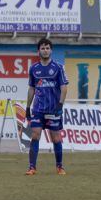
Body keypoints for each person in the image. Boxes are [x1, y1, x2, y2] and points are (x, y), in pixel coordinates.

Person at [25, 38, 68, 176]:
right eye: (43, 48)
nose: (45, 50)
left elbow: (64, 87)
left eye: (48, 48)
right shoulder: (34, 69)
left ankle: (59, 167)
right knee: (35, 135)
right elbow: (31, 88)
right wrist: (27, 107)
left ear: (51, 50)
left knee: (56, 138)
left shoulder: (58, 67)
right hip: (38, 109)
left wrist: (60, 104)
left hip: (53, 109)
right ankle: (32, 168)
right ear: (39, 51)